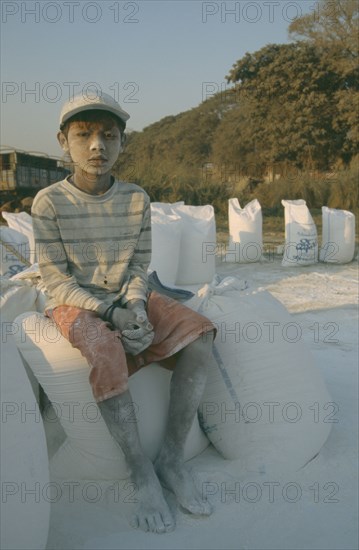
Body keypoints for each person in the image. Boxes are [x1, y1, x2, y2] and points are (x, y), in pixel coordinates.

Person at [31, 92, 217, 534]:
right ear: (64, 141)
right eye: (84, 135)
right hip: (76, 303)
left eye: (109, 136)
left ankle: (171, 458)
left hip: (126, 297)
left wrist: (135, 305)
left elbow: (138, 266)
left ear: (122, 143)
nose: (97, 145)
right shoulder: (49, 202)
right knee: (105, 350)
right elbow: (56, 281)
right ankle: (140, 469)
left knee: (201, 333)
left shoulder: (136, 199)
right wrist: (111, 314)